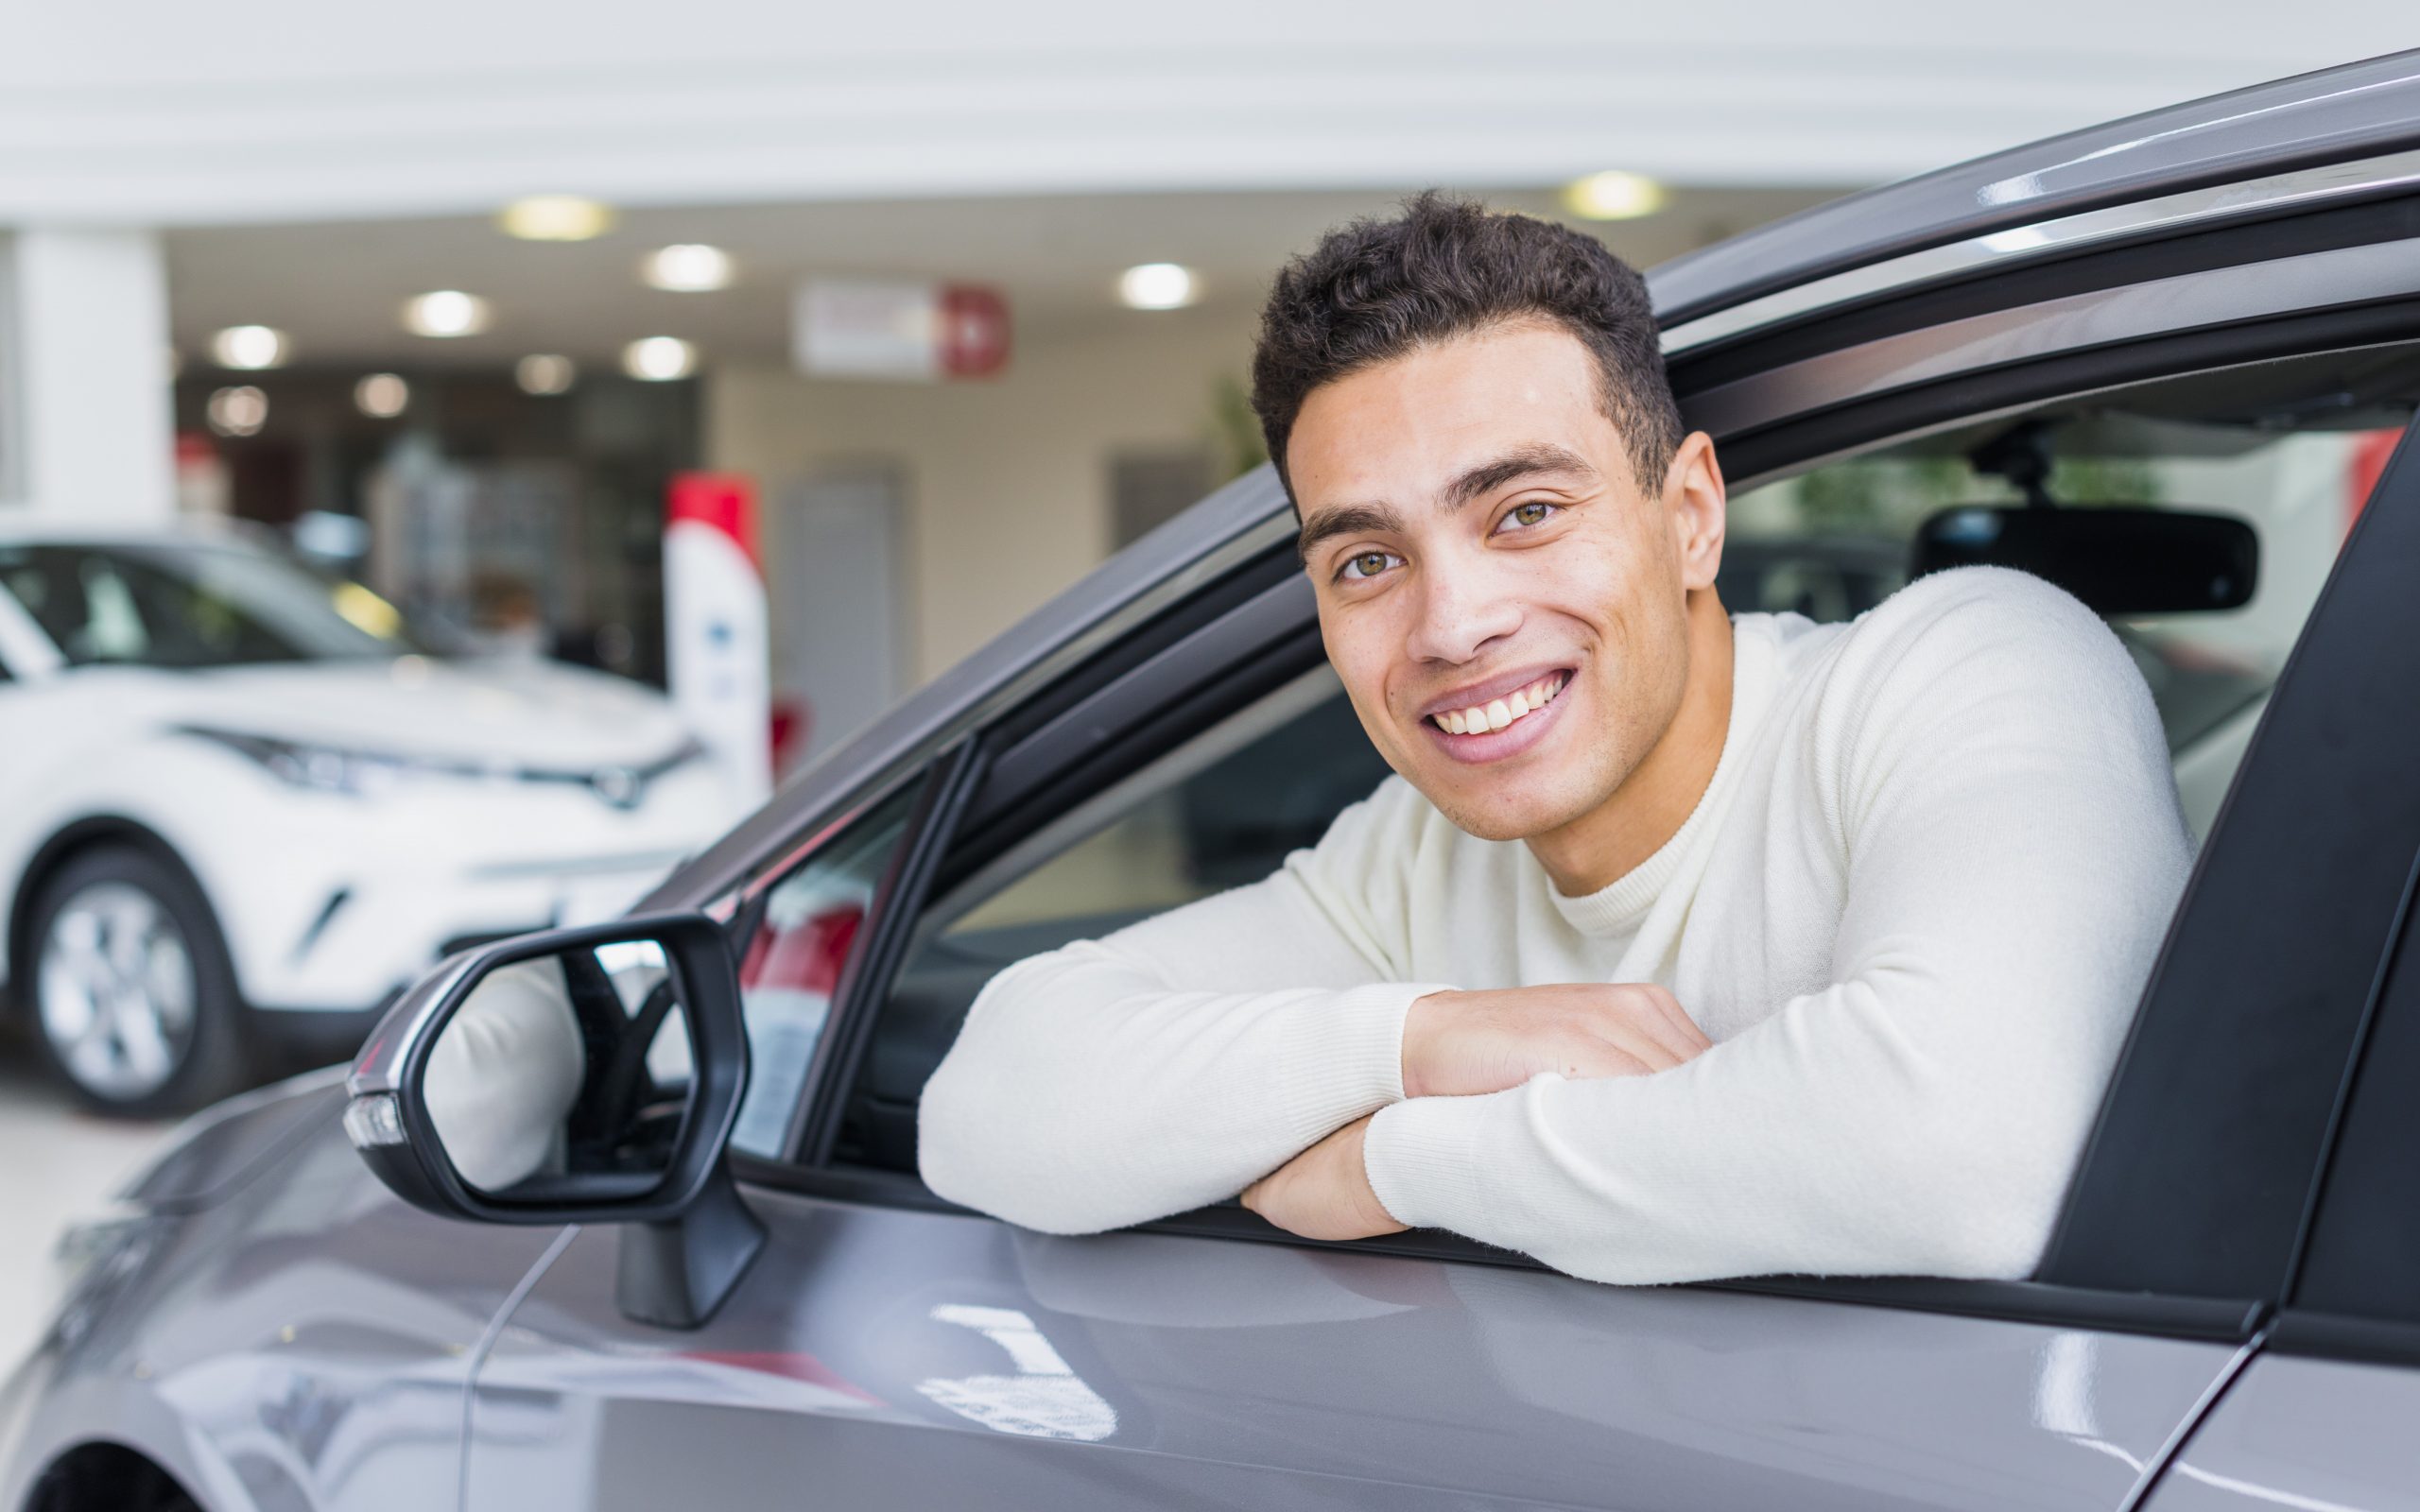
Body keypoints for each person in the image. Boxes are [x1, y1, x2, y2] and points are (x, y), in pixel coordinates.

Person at [917, 194, 2192, 1285]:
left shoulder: (1959, 671)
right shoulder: (1414, 863)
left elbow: (1968, 1148)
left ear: (1690, 514)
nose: (1453, 624)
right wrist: (1428, 1040)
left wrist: (1395, 1159)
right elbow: (993, 1104)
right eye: (1367, 559)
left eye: (1526, 511)